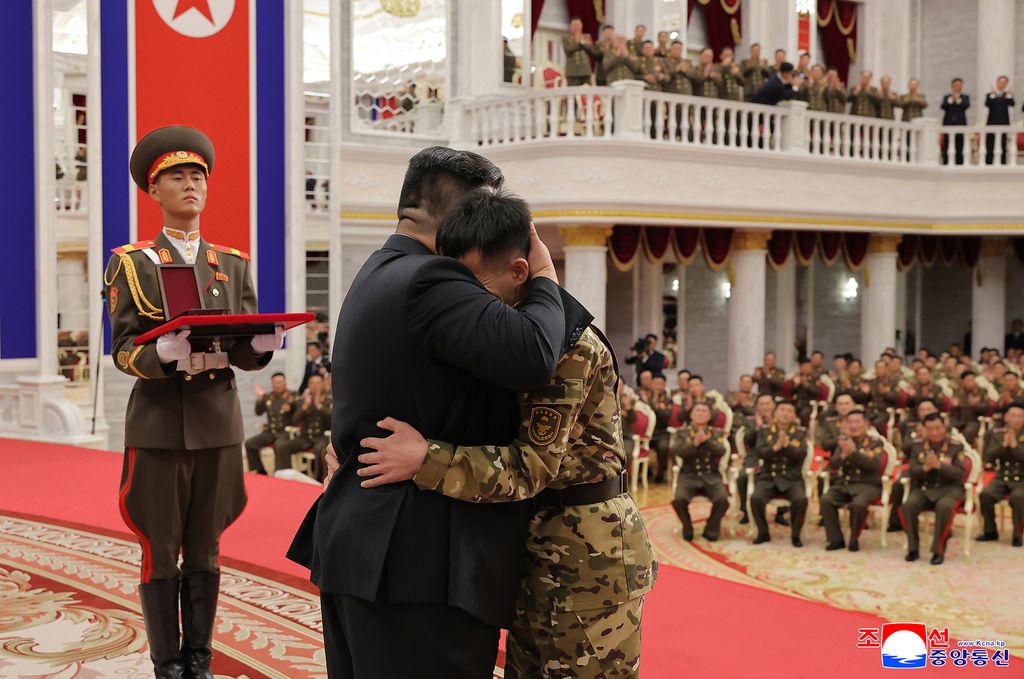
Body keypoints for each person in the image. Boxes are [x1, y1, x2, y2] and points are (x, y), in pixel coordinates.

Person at [347, 189, 656, 678]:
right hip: (540, 544)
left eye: (474, 285)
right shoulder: (513, 334)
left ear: (518, 271)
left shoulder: (566, 348)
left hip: (588, 557)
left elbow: (532, 466)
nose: (462, 300)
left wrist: (425, 459)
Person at [286, 146, 567, 679]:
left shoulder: (377, 270)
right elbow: (534, 354)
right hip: (416, 561)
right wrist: (545, 274)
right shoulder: (432, 278)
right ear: (462, 217)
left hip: (370, 543)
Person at [105, 125, 281, 679]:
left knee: (206, 547)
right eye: (177, 176)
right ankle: (168, 666)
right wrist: (160, 353)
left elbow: (244, 349)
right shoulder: (132, 263)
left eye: (198, 176)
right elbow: (122, 350)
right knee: (160, 548)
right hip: (159, 423)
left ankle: (199, 663)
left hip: (218, 422)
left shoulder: (233, 263)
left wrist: (261, 347)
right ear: (153, 190)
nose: (191, 185)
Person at [898, 413, 966, 565]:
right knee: (908, 506)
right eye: (930, 429)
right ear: (924, 429)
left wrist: (939, 466)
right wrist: (926, 468)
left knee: (945, 507)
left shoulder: (956, 446)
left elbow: (959, 473)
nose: (934, 432)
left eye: (938, 428)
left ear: (944, 427)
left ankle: (938, 550)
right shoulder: (917, 446)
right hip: (924, 488)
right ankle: (913, 548)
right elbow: (912, 471)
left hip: (950, 489)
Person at [820, 409, 885, 552]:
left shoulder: (875, 442)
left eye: (857, 422)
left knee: (858, 504)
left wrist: (854, 453)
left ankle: (854, 538)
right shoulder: (843, 441)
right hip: (846, 484)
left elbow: (874, 465)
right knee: (826, 499)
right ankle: (835, 539)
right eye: (850, 422)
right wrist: (843, 455)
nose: (854, 426)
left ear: (866, 424)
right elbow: (832, 465)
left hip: (868, 485)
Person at [750, 401, 808, 547]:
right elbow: (760, 453)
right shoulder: (765, 431)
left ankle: (795, 535)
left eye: (789, 411)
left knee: (800, 499)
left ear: (794, 416)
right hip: (769, 477)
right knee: (756, 498)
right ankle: (763, 532)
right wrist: (775, 448)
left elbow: (801, 454)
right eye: (782, 410)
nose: (785, 413)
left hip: (791, 478)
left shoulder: (800, 433)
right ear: (775, 413)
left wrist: (787, 446)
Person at [670, 402, 730, 542]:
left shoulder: (716, 433)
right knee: (679, 499)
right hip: (688, 475)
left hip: (711, 475)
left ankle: (711, 528)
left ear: (709, 416)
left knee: (722, 499)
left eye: (704, 411)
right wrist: (695, 443)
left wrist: (707, 441)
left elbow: (721, 451)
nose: (700, 413)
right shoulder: (682, 433)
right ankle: (687, 526)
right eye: (697, 410)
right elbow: (678, 452)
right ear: (691, 415)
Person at [976, 402, 1024, 547]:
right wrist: (1003, 445)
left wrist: (1015, 446)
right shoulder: (997, 433)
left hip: (1022, 479)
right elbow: (988, 456)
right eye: (1013, 415)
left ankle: (1017, 535)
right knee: (986, 494)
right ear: (1006, 417)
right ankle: (990, 531)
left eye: (1020, 416)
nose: (1016, 419)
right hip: (1002, 477)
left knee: (1019, 497)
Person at [274, 373, 332, 478]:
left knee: (321, 450)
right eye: (312, 383)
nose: (315, 386)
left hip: (321, 438)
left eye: (318, 383)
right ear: (308, 386)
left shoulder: (329, 401)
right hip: (304, 438)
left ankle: (320, 480)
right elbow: (294, 420)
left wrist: (319, 406)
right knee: (282, 446)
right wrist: (305, 406)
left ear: (323, 384)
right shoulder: (302, 401)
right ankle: (285, 477)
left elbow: (332, 421)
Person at [244, 372, 295, 475]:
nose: (278, 385)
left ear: (285, 383)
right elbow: (258, 412)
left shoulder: (292, 396)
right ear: (272, 384)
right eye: (275, 382)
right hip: (270, 432)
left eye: (280, 382)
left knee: (279, 445)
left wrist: (291, 407)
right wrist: (259, 398)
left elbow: (299, 410)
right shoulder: (268, 397)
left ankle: (280, 472)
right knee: (249, 444)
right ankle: (260, 471)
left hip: (284, 432)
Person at [984, 76, 1015, 165]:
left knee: (1003, 145)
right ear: (997, 82)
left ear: (1006, 84)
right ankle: (988, 163)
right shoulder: (990, 95)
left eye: (1004, 83)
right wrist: (993, 95)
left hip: (1004, 123)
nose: (1002, 84)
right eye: (1000, 82)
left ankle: (1002, 163)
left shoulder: (1008, 95)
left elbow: (1012, 103)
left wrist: (1008, 94)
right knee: (990, 145)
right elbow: (987, 104)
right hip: (991, 123)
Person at [562, 16, 600, 86]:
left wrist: (583, 43)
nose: (576, 27)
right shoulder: (566, 38)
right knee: (573, 92)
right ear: (570, 26)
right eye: (574, 25)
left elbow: (593, 51)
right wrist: (577, 42)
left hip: (585, 71)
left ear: (581, 26)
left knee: (586, 91)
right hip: (572, 72)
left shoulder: (587, 37)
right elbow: (568, 50)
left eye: (578, 25)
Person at [941, 78, 970, 165]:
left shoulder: (965, 97)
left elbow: (966, 105)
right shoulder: (947, 97)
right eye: (956, 85)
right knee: (947, 144)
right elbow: (943, 106)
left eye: (960, 85)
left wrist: (957, 99)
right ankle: (946, 162)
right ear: (952, 86)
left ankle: (959, 163)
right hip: (948, 124)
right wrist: (951, 99)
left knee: (960, 145)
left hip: (960, 124)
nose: (958, 87)